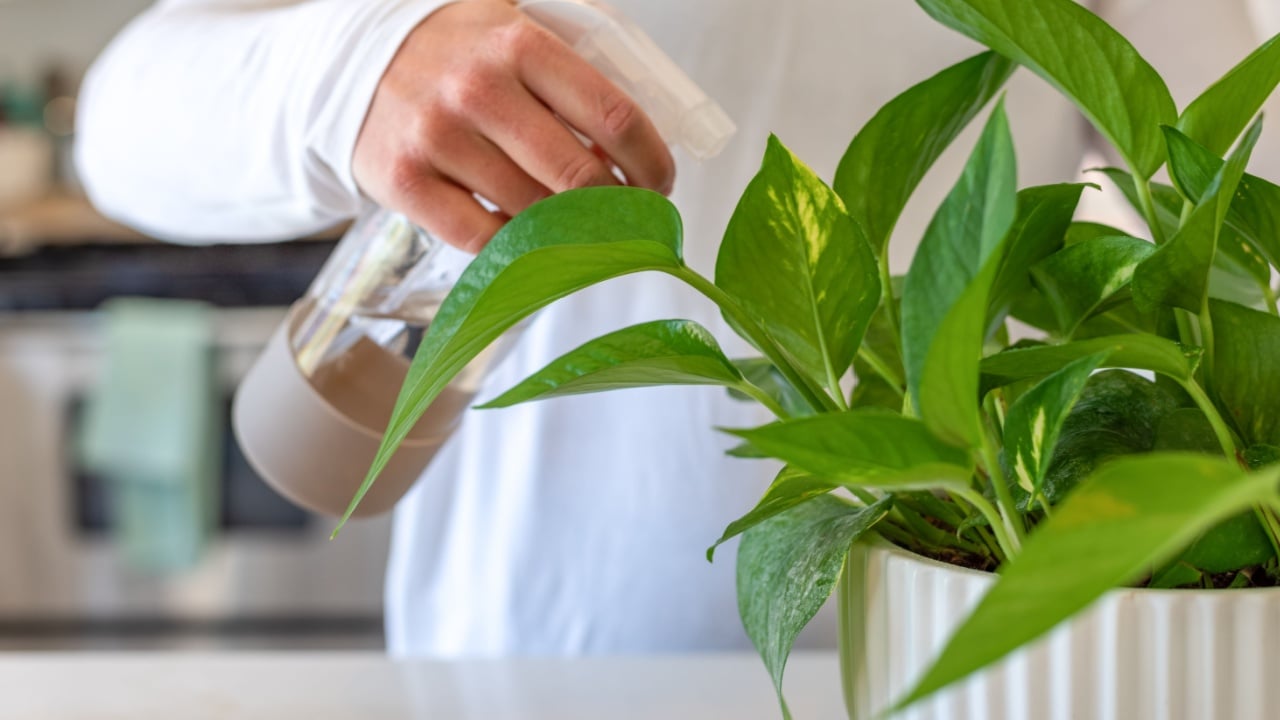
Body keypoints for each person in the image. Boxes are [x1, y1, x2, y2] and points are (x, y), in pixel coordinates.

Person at [76, 0, 1280, 656]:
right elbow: (120, 124)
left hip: (939, 629)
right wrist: (355, 66)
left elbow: (1221, 172)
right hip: (510, 661)